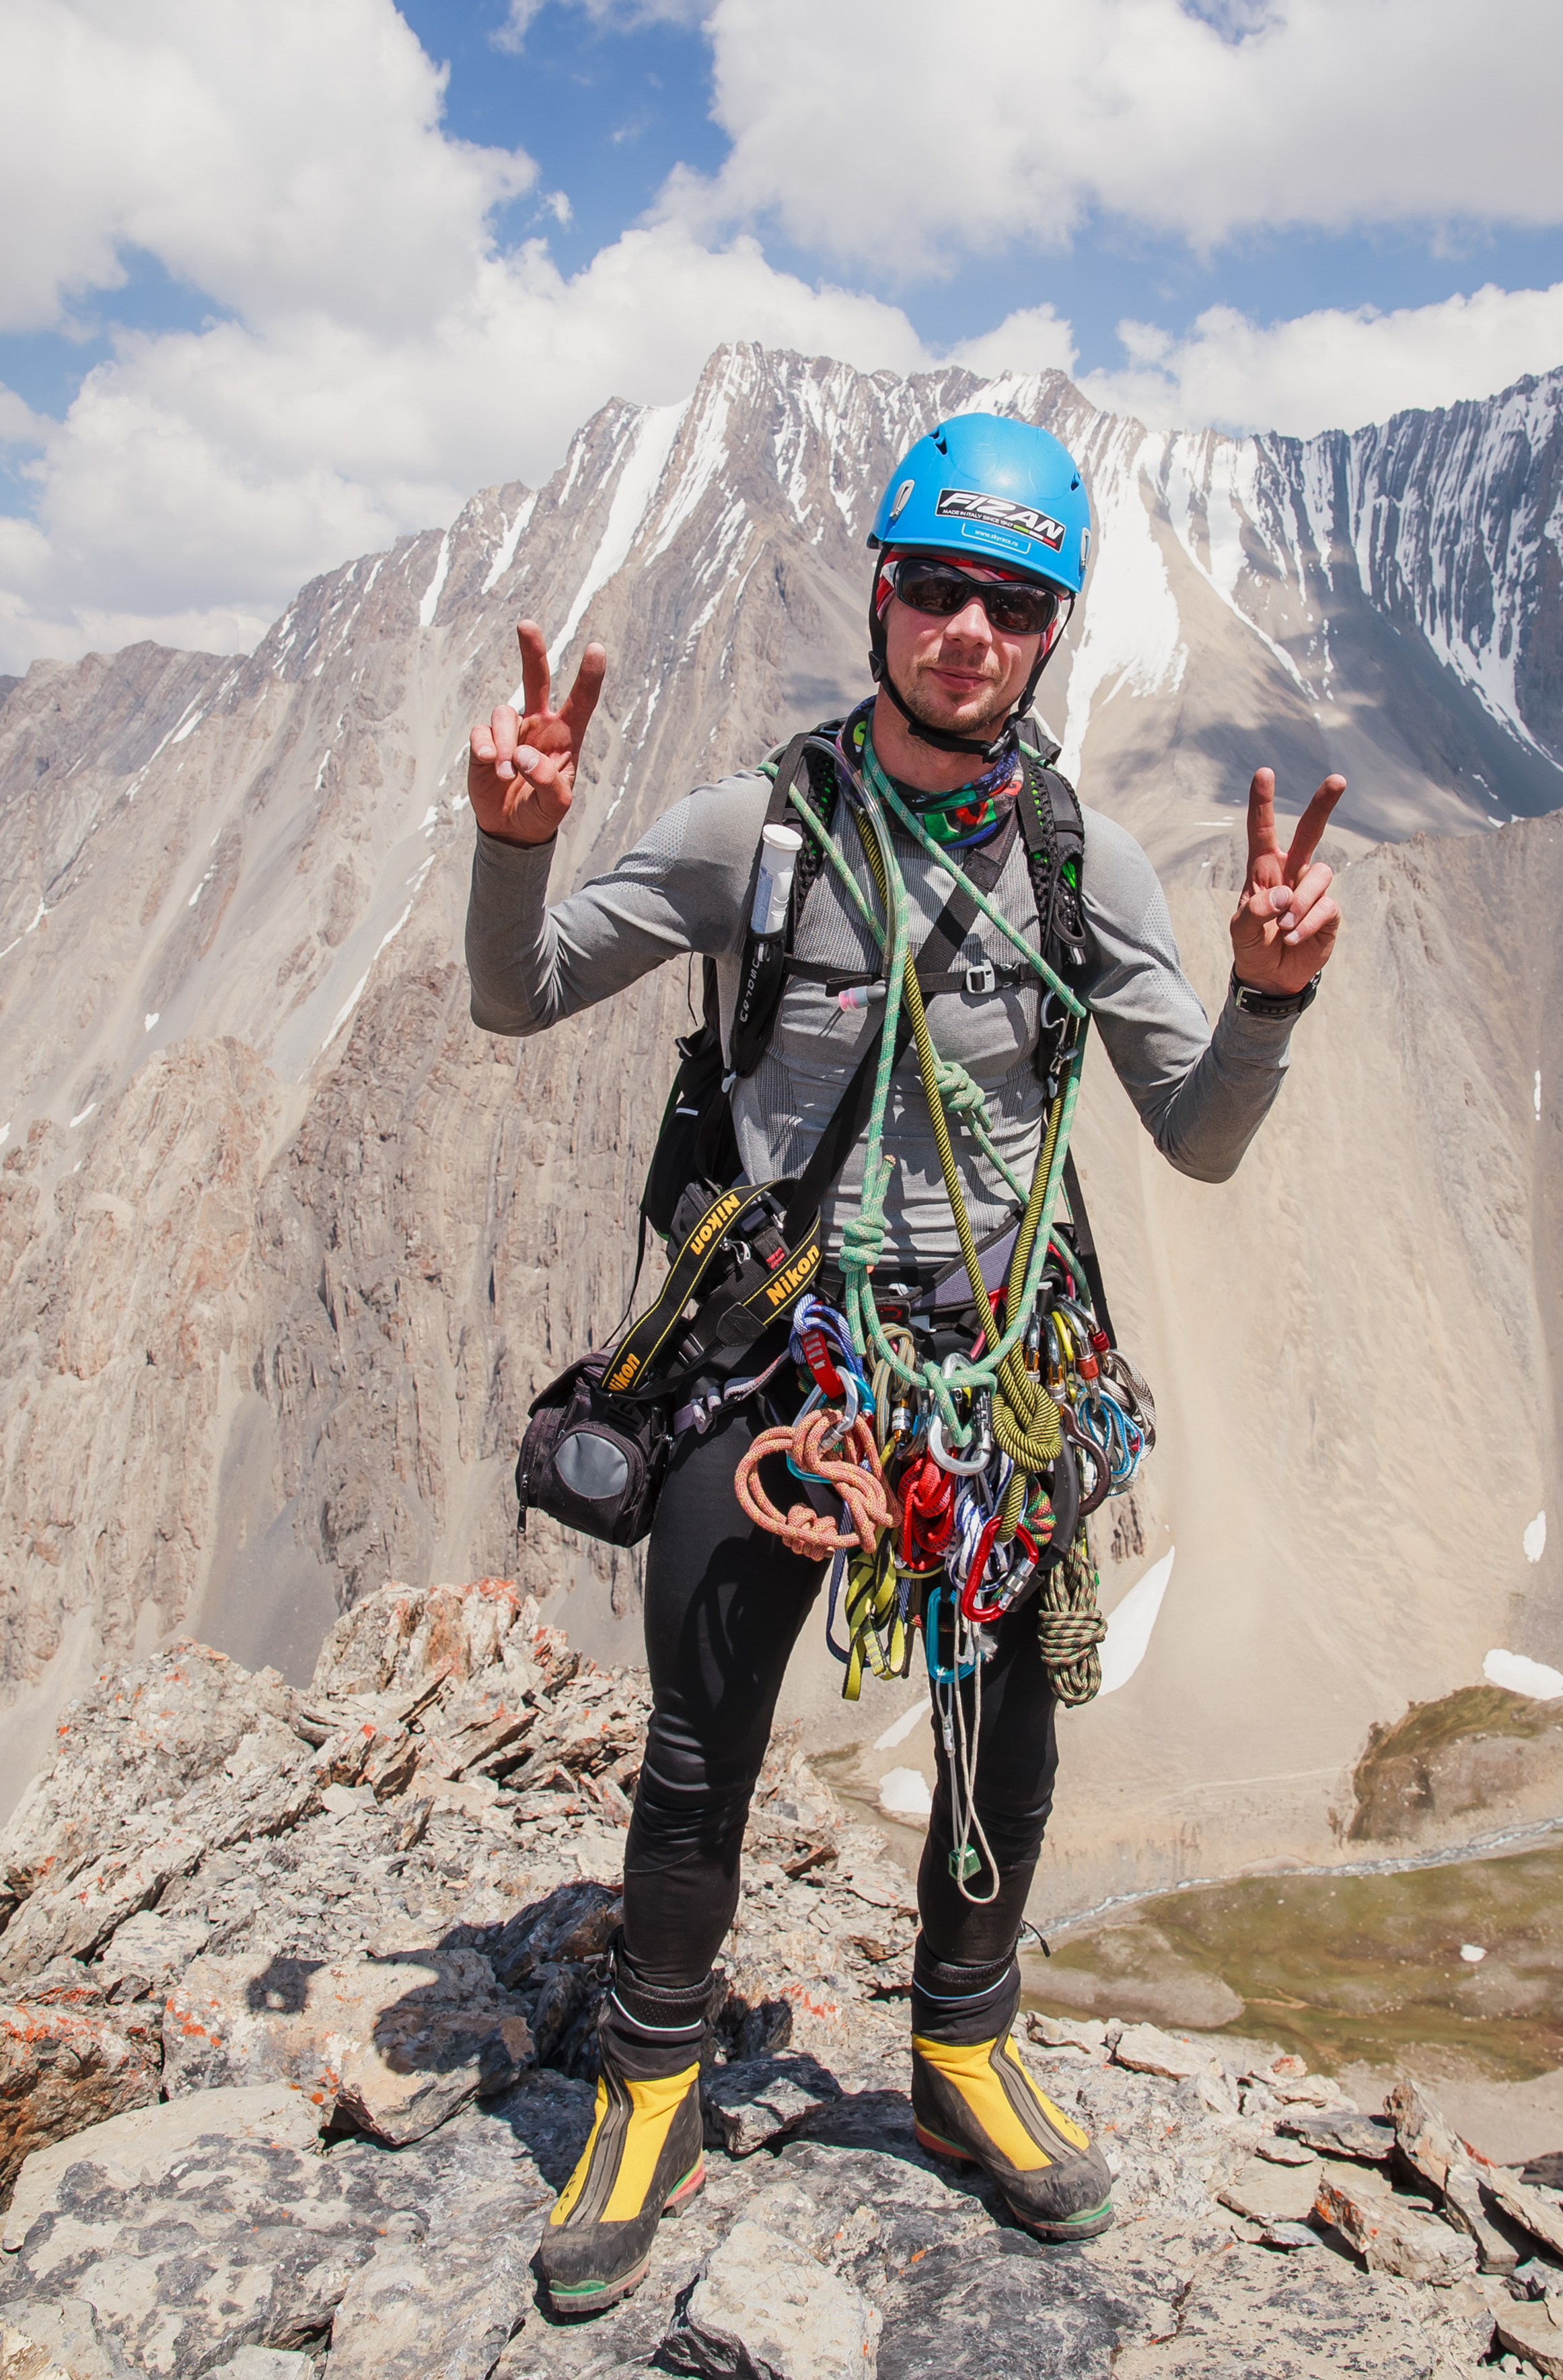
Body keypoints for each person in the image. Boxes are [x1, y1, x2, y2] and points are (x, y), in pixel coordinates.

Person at [464, 413, 1343, 2317]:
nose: (964, 627)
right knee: (701, 1731)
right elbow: (514, 996)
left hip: (993, 1372)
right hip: (771, 1358)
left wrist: (1268, 998)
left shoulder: (1076, 862)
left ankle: (960, 2052)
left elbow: (1193, 1132)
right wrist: (514, 848)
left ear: (1048, 635)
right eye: (934, 584)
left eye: (1009, 600)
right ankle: (655, 2076)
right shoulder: (750, 834)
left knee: (1003, 1729)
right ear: (879, 591)